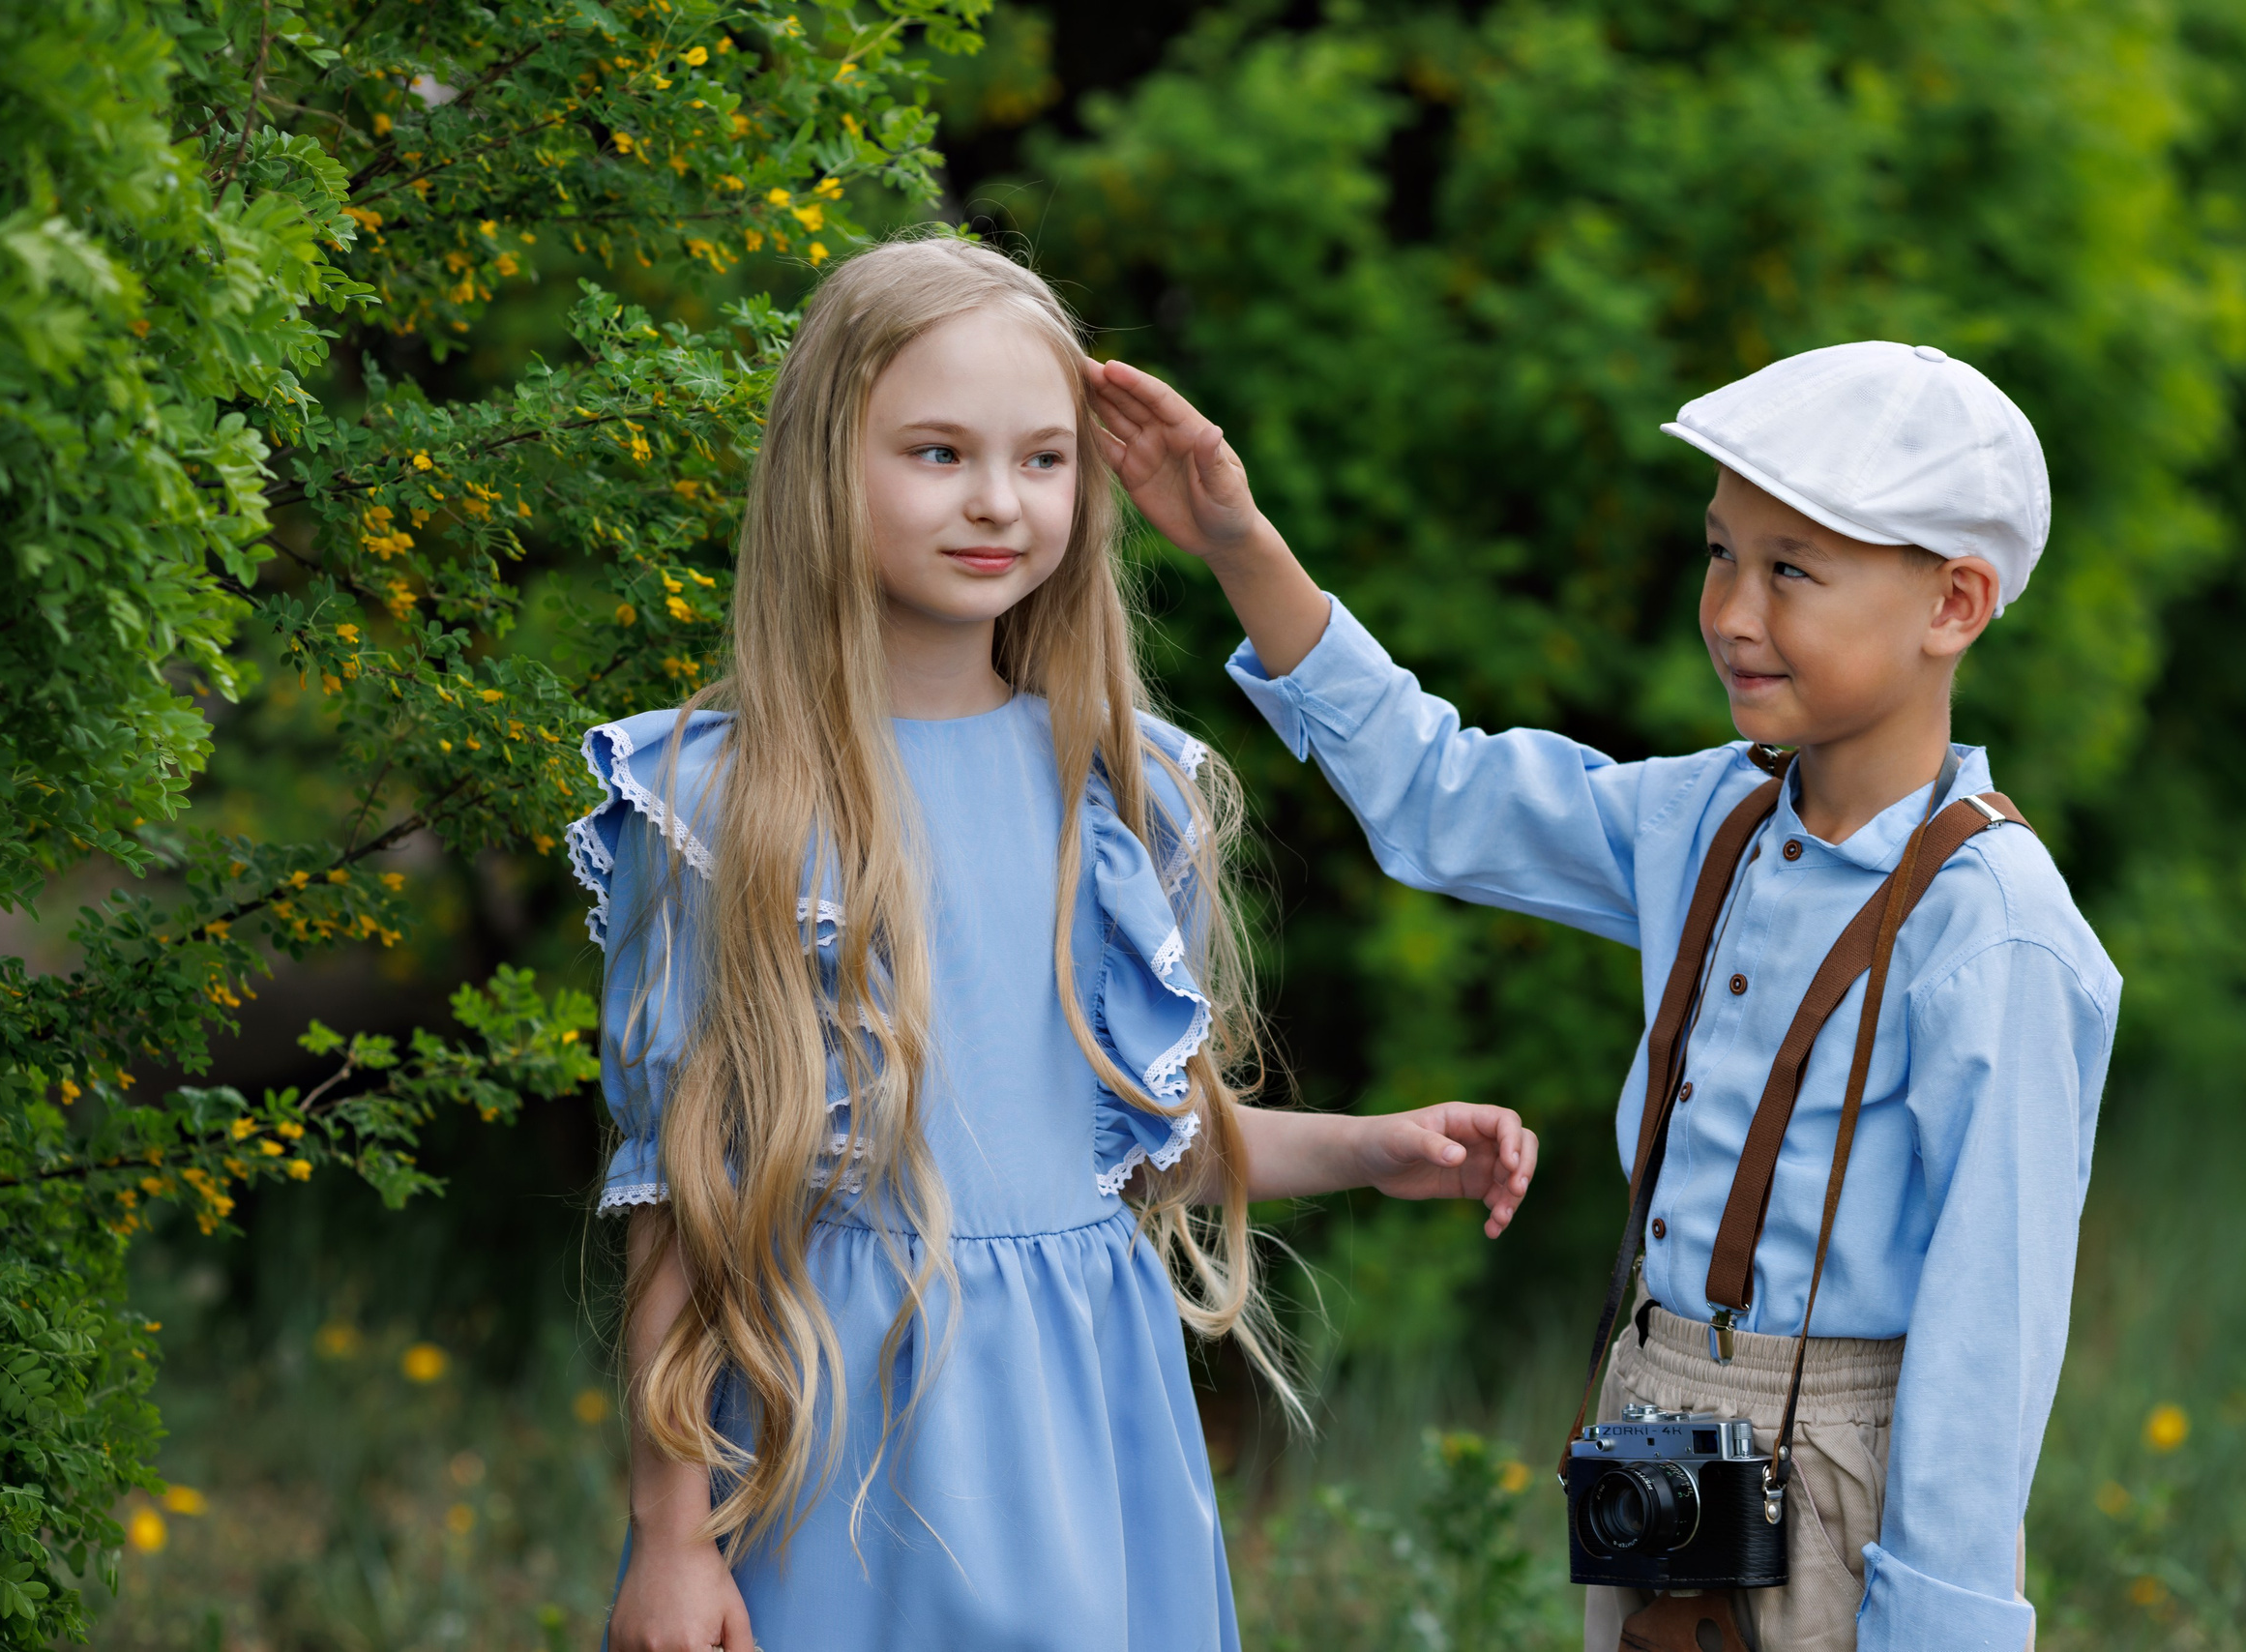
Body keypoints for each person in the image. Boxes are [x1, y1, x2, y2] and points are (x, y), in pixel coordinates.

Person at [564, 236, 1541, 1652]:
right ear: (823, 464)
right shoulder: (724, 801)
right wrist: (669, 1537)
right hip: (838, 1437)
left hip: (1092, 1425)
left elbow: (1144, 1148)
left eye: (1040, 460)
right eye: (937, 452)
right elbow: (683, 1202)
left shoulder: (1128, 789)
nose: (995, 503)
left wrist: (1372, 1148)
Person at [1085, 340, 2119, 1651]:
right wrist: (1236, 541)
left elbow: (1988, 1351)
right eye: (1719, 553)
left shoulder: (1998, 933)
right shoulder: (1705, 817)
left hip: (1850, 1479)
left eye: (1792, 569)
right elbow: (1435, 796)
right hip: (1654, 1440)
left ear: (1956, 604)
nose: (1734, 612)